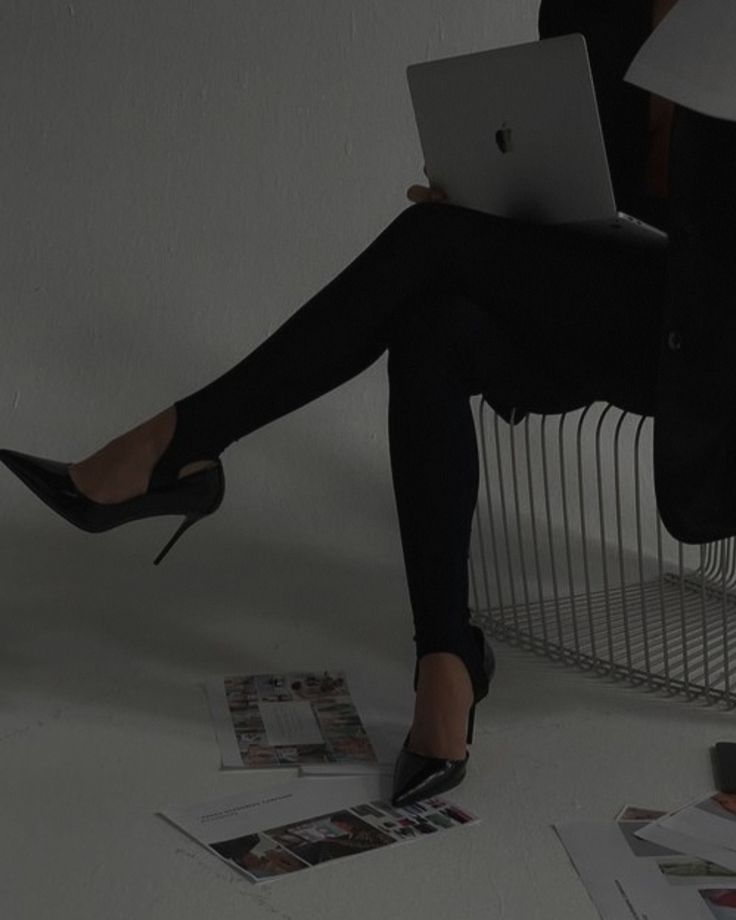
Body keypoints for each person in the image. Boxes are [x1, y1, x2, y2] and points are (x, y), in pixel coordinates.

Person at [1, 0, 711, 808]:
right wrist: (494, 205)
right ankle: (447, 660)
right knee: (431, 319)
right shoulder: (595, 3)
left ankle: (179, 448)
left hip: (715, 337)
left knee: (427, 247)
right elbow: (582, 183)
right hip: (622, 306)